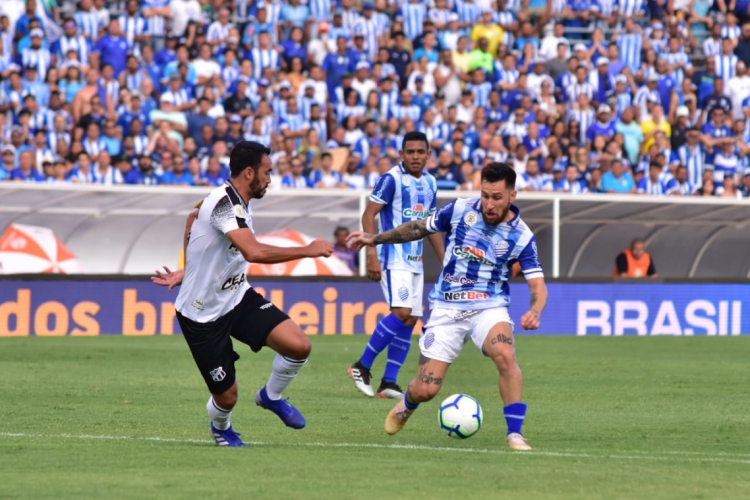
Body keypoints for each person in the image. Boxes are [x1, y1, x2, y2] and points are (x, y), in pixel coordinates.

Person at [347, 162, 547, 451]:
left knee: (505, 353)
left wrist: (536, 310)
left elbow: (538, 287)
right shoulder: (459, 209)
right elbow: (418, 227)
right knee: (425, 389)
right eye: (485, 195)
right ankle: (408, 402)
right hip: (446, 307)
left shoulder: (522, 237)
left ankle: (515, 434)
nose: (489, 204)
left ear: (512, 196)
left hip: (489, 307)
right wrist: (375, 238)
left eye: (497, 197)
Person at [150, 141, 334, 447]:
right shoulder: (223, 203)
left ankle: (270, 397)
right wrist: (307, 250)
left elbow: (192, 219)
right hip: (202, 314)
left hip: (236, 297)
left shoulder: (236, 200)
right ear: (249, 172)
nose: (270, 180)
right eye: (267, 172)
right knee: (227, 396)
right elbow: (253, 251)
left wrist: (189, 267)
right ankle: (221, 427)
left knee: (298, 346)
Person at [348, 131, 444, 399]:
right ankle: (362, 366)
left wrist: (445, 260)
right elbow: (369, 214)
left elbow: (431, 225)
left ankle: (388, 382)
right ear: (401, 154)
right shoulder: (391, 179)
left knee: (411, 318)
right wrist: (371, 255)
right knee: (401, 312)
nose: (415, 156)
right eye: (410, 152)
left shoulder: (431, 182)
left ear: (428, 154)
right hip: (393, 259)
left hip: (416, 261)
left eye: (420, 152)